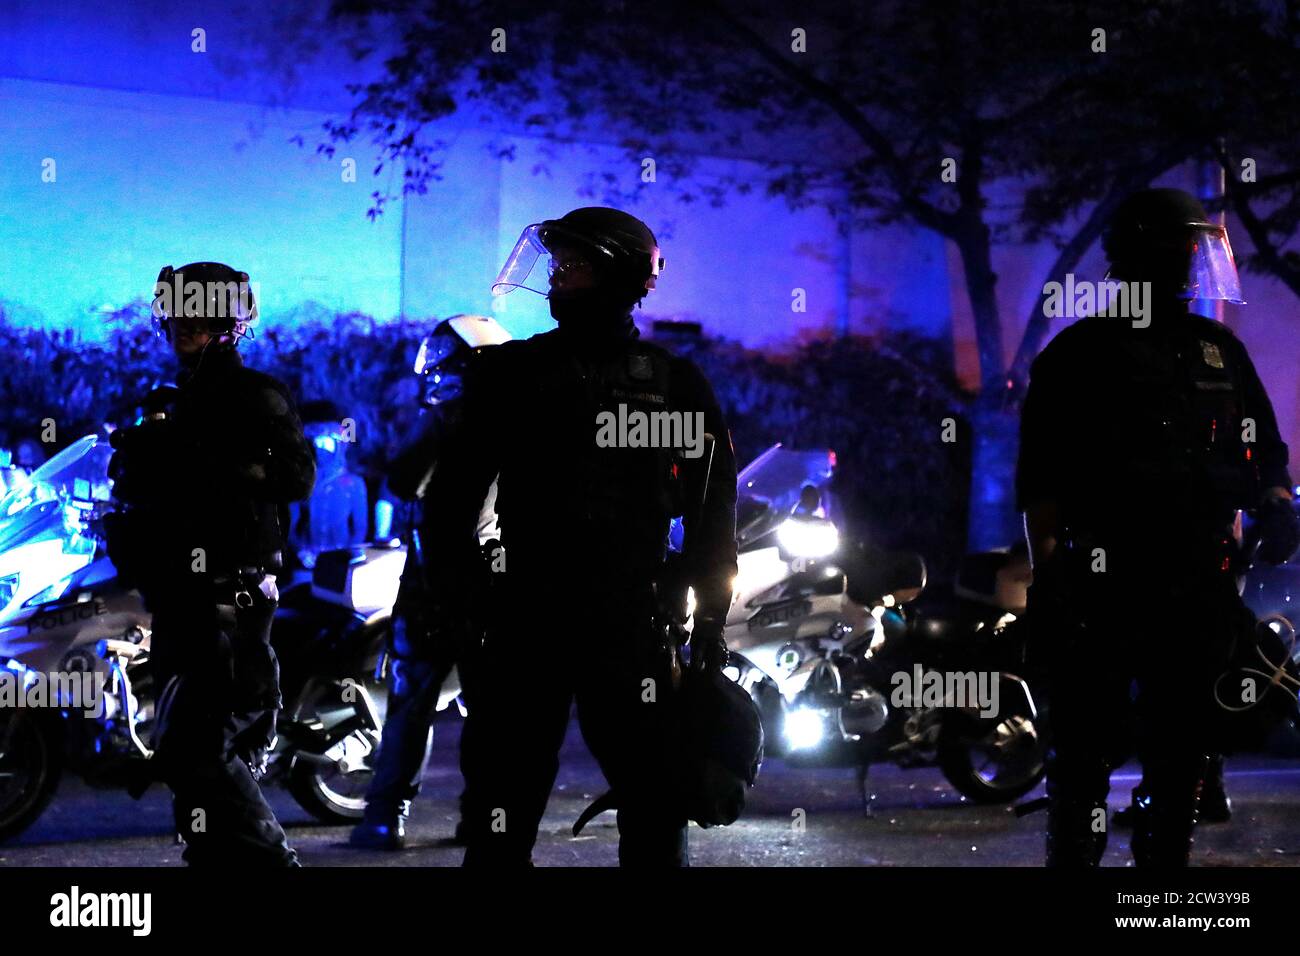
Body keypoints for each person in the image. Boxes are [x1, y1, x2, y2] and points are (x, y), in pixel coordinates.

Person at [422, 207, 739, 867]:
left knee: (654, 803)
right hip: (524, 617)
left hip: (631, 620)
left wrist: (710, 622)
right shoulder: (509, 374)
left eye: (577, 266)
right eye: (557, 264)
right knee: (501, 815)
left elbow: (712, 512)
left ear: (621, 278)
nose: (559, 279)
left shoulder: (675, 385)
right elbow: (450, 502)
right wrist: (462, 605)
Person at [1018, 189, 1299, 867]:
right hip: (1104, 586)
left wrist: (1275, 498)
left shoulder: (1217, 352)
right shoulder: (1079, 356)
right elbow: (1044, 485)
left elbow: (1264, 449)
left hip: (1198, 583)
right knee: (1083, 763)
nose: (1193, 266)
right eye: (1182, 250)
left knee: (1181, 762)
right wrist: (1054, 577)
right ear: (1145, 254)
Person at [106, 262, 316, 866]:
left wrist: (215, 462)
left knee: (202, 747)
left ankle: (275, 864)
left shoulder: (256, 396)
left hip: (232, 598)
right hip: (178, 597)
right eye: (173, 314)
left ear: (225, 323)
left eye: (192, 316)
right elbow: (141, 487)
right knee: (186, 750)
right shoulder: (170, 403)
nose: (178, 326)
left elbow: (296, 476)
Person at [349, 314, 511, 850]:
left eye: (447, 363)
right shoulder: (528, 426)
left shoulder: (448, 422)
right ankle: (482, 817)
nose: (437, 375)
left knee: (413, 703)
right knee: (489, 712)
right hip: (491, 590)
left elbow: (401, 483)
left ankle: (384, 816)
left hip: (440, 588)